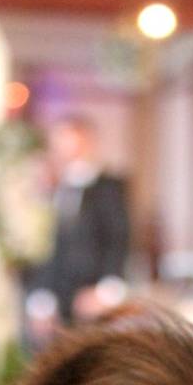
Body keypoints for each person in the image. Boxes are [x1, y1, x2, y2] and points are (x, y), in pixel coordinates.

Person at [25, 116, 130, 344]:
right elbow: (47, 248)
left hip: (91, 294)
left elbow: (119, 238)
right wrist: (42, 300)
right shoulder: (53, 188)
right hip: (57, 296)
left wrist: (105, 291)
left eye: (71, 141)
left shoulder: (108, 186)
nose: (65, 149)